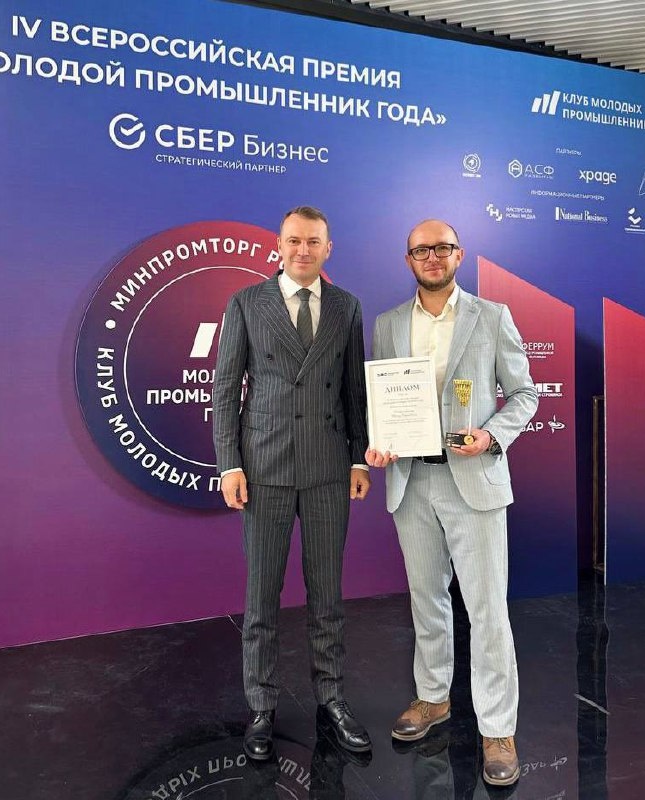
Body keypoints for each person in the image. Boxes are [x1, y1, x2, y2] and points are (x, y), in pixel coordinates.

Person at [365, 219, 538, 787]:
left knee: (487, 608)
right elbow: (383, 402)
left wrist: (492, 435)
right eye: (422, 250)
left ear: (459, 255)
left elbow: (525, 394)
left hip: (473, 480)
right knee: (426, 599)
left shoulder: (492, 316)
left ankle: (498, 728)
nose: (432, 257)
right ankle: (433, 697)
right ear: (408, 259)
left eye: (442, 248)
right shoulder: (389, 324)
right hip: (412, 481)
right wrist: (379, 443)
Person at [213, 206, 372, 761]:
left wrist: (358, 460)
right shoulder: (246, 303)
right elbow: (226, 388)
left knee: (327, 595)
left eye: (313, 241)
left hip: (328, 468)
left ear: (329, 248)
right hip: (265, 470)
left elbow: (354, 390)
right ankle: (261, 706)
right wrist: (229, 464)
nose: (303, 250)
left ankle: (332, 698)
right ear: (279, 247)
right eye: (294, 241)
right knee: (262, 598)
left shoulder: (347, 306)